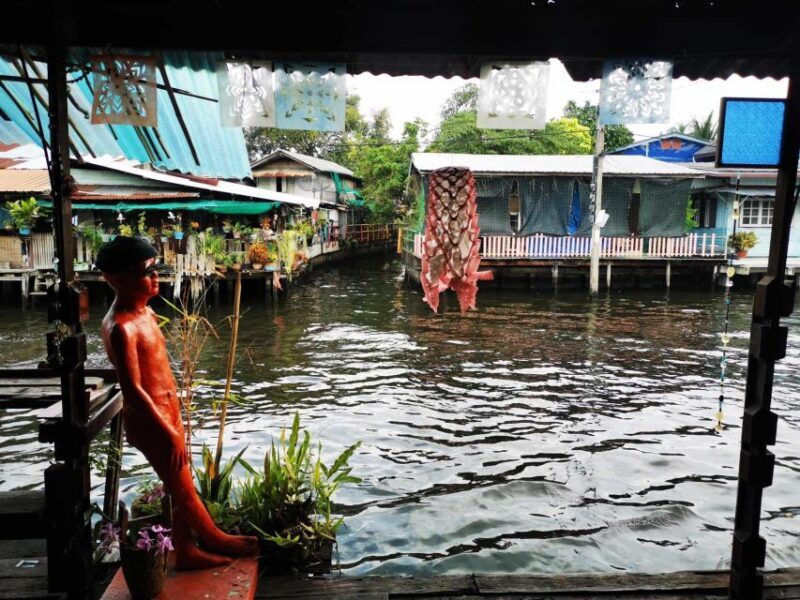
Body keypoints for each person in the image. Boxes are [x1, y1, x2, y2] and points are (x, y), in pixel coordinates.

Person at [96, 237, 258, 570]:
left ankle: (186, 550)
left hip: (167, 413)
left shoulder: (147, 313)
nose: (156, 278)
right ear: (117, 279)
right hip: (150, 419)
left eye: (156, 270)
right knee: (182, 487)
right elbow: (134, 390)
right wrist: (168, 432)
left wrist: (177, 412)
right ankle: (215, 537)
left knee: (176, 483)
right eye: (146, 272)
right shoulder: (121, 327)